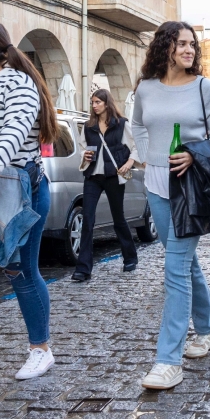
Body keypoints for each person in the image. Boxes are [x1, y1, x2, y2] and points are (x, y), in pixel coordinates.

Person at [132, 21, 210, 390]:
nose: (190, 50)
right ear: (165, 47)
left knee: (174, 269)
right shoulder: (146, 88)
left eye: (193, 44)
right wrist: (148, 155)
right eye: (182, 44)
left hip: (190, 187)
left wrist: (192, 154)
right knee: (185, 265)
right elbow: (138, 125)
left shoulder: (205, 87)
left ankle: (167, 361)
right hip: (156, 184)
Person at [0, 20, 59, 379]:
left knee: (21, 271)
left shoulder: (19, 83)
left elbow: (12, 133)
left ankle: (40, 349)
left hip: (22, 192)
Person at [72, 89, 140, 282]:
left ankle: (130, 257)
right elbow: (82, 148)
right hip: (93, 176)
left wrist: (128, 163)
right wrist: (84, 155)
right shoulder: (88, 126)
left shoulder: (121, 124)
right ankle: (83, 269)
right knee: (87, 218)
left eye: (97, 102)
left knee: (118, 217)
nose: (94, 105)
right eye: (92, 102)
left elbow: (136, 146)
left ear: (106, 103)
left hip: (113, 175)